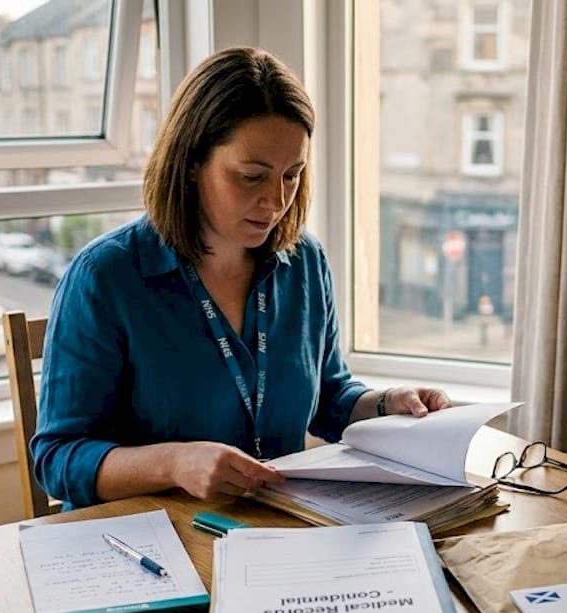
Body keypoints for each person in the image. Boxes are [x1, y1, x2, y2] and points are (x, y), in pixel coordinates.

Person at [31, 47, 451, 510]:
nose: (276, 201)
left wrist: (387, 403)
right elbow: (58, 459)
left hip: (272, 531)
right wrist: (173, 463)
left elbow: (329, 397)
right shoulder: (105, 278)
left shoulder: (305, 262)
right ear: (191, 163)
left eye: (292, 175)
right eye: (252, 176)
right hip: (150, 547)